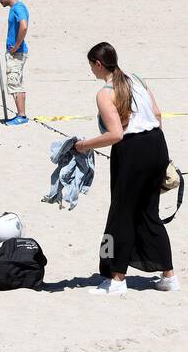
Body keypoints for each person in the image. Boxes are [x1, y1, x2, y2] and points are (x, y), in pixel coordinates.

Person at [74, 43, 177, 296]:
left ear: (99, 64)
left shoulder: (104, 93)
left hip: (132, 151)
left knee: (123, 213)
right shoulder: (136, 78)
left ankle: (117, 280)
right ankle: (169, 276)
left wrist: (84, 145)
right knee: (148, 211)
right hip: (156, 144)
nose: (91, 71)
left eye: (91, 66)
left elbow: (115, 134)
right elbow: (157, 113)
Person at [0, 0, 30, 125]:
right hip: (14, 51)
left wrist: (16, 45)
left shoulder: (18, 8)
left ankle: (21, 115)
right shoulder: (14, 8)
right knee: (14, 82)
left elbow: (24, 26)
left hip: (17, 52)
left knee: (15, 82)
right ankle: (20, 114)